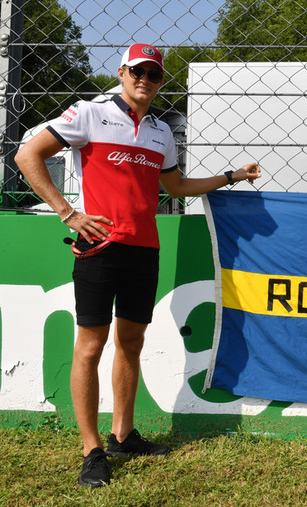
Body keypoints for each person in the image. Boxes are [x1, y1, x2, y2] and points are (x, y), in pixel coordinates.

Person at [15, 43, 261, 488]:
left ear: (160, 81)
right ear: (122, 72)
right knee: (90, 348)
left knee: (131, 342)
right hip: (99, 249)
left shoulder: (161, 131)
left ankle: (122, 435)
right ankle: (92, 450)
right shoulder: (89, 113)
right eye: (137, 72)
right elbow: (26, 156)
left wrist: (231, 177)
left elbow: (178, 186)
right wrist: (69, 214)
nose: (144, 80)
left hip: (144, 249)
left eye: (154, 75)